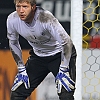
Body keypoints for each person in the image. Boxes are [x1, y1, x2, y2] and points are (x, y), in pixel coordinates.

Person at [6, 0, 77, 100]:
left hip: (60, 55)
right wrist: (21, 68)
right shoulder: (12, 20)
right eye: (18, 6)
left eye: (25, 7)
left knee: (66, 94)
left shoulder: (45, 18)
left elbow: (67, 42)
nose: (21, 11)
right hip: (39, 57)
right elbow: (13, 43)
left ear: (33, 7)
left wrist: (64, 68)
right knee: (17, 94)